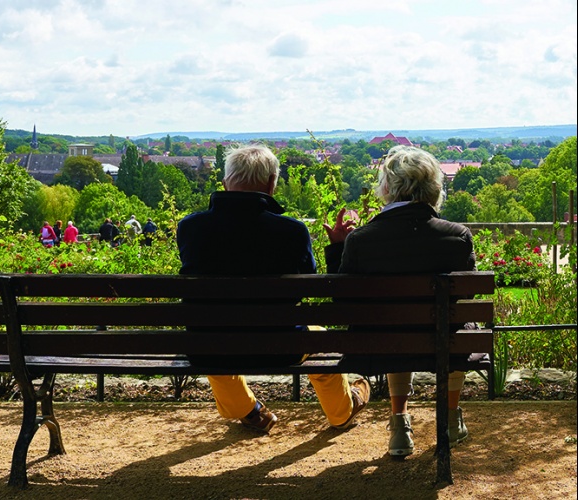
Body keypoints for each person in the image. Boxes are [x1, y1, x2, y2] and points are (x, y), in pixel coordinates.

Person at [177, 143, 370, 433]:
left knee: (211, 333)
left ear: (226, 183)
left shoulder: (190, 228)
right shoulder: (292, 231)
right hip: (281, 347)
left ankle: (249, 411)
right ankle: (343, 410)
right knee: (322, 340)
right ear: (271, 184)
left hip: (210, 345)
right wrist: (338, 248)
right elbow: (310, 284)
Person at [322, 145, 475, 457]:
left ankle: (399, 426)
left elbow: (340, 299)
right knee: (456, 326)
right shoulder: (457, 236)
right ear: (434, 189)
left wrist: (338, 247)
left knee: (394, 327)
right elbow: (466, 296)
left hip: (379, 344)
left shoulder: (361, 240)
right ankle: (450, 420)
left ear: (388, 188)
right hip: (442, 341)